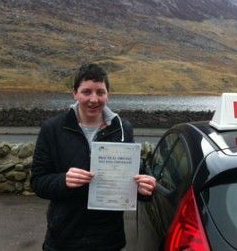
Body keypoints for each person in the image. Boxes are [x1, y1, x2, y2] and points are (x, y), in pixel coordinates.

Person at [30, 63, 156, 251]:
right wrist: (63, 180)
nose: (93, 99)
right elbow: (38, 182)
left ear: (108, 94)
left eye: (100, 92)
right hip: (64, 237)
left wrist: (143, 187)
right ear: (75, 93)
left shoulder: (123, 128)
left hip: (108, 239)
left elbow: (130, 177)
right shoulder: (52, 129)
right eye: (86, 92)